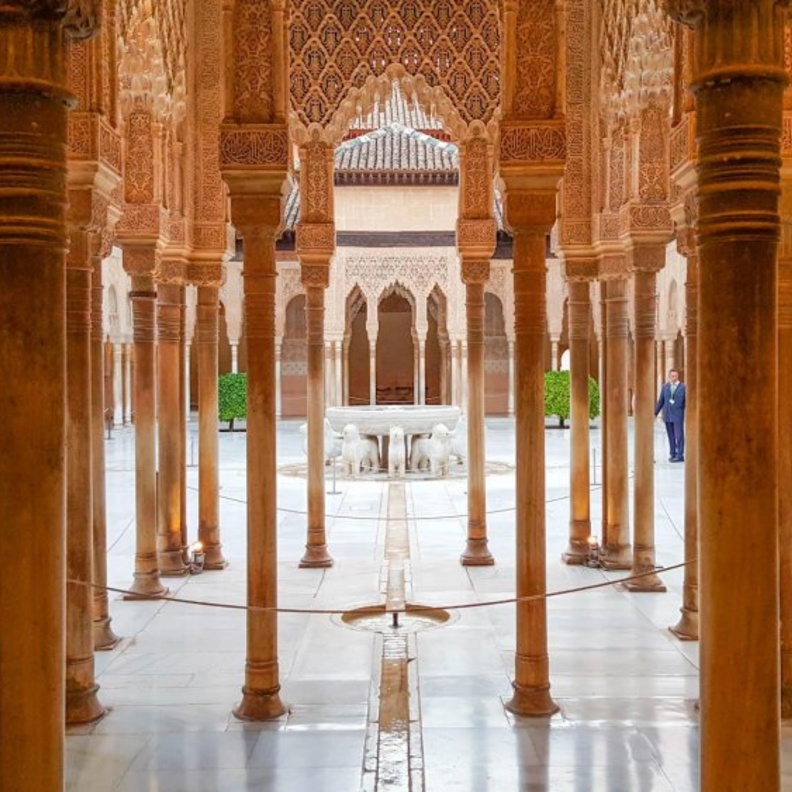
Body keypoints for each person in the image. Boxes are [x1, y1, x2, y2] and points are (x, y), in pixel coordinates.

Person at [655, 368, 686, 462]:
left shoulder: (683, 387)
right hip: (667, 414)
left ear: (678, 376)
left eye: (676, 376)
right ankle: (673, 453)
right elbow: (661, 401)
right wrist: (655, 413)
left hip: (678, 415)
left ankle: (680, 455)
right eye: (672, 376)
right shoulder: (665, 387)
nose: (674, 377)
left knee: (679, 435)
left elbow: (686, 401)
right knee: (670, 435)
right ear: (669, 376)